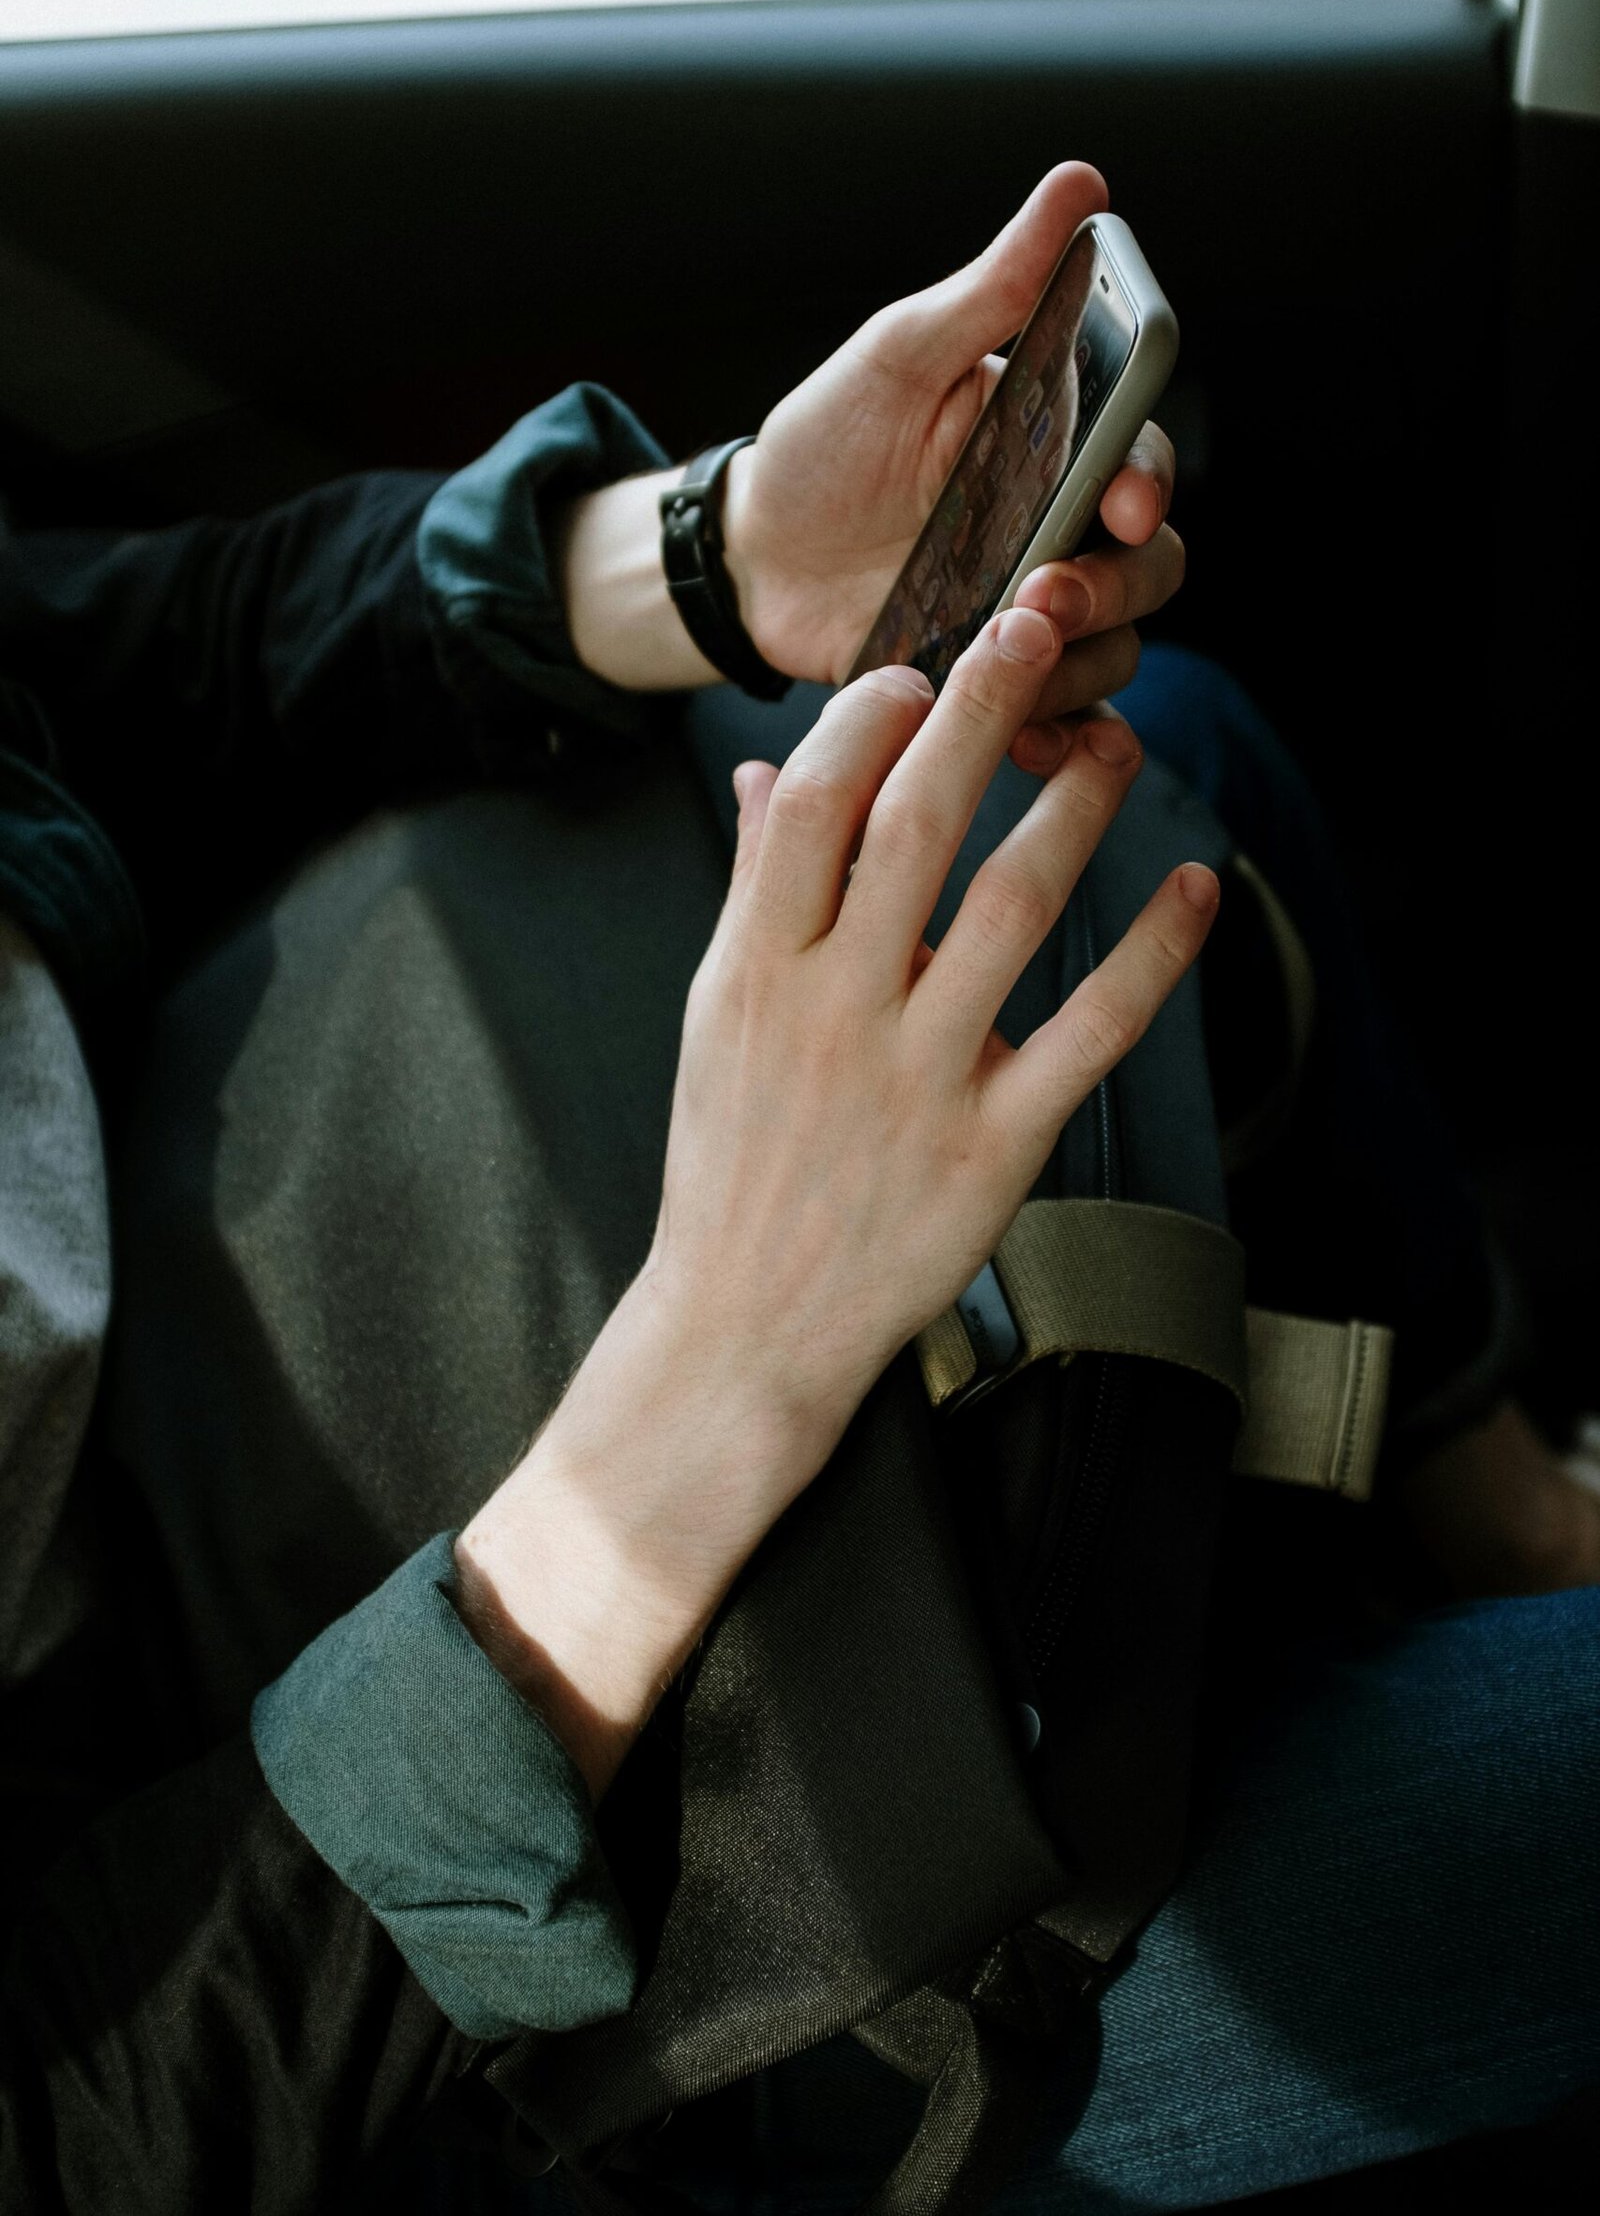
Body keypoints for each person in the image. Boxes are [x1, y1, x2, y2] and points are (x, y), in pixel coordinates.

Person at [1, 162, 1596, 2213]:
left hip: (347, 1188)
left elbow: (113, 660)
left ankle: (1500, 1505)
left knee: (1155, 736)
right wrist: (713, 1364)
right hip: (485, 1955)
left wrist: (706, 554)